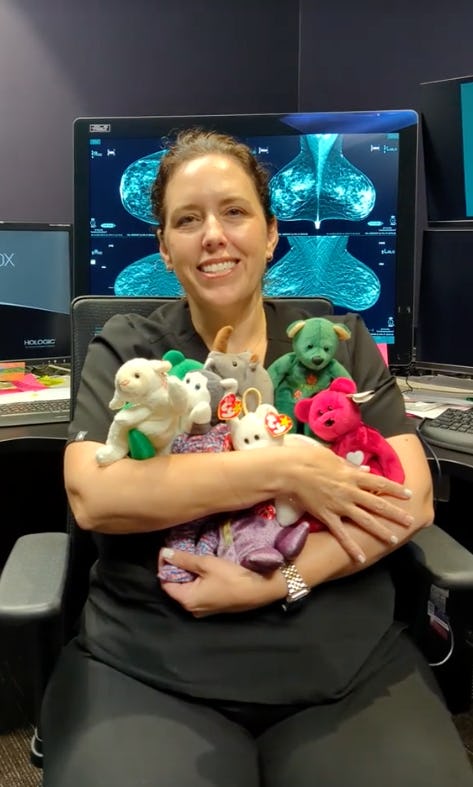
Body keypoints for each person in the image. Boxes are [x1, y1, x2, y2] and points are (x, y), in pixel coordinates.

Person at [41, 128, 473, 786]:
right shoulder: (128, 347)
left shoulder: (337, 342)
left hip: (337, 656)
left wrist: (277, 583)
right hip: (153, 661)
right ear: (163, 246)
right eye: (187, 219)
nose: (212, 234)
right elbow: (95, 496)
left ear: (272, 233)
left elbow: (408, 498)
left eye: (234, 211)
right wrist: (280, 467)